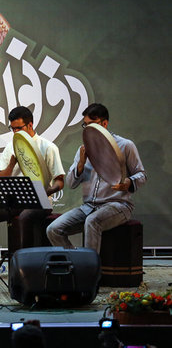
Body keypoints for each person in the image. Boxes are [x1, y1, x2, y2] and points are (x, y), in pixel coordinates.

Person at [0, 106, 65, 281]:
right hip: (15, 201)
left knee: (24, 218)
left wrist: (47, 190)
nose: (15, 132)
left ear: (30, 125)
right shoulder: (11, 147)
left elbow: (60, 181)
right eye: (12, 129)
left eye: (19, 128)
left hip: (40, 203)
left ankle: (24, 267)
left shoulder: (48, 147)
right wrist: (13, 162)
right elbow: (2, 177)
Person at [46, 103, 147, 254]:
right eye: (85, 125)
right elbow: (70, 183)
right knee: (53, 229)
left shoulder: (125, 145)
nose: (88, 129)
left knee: (92, 222)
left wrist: (128, 183)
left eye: (92, 124)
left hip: (118, 205)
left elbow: (141, 175)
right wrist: (81, 163)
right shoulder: (84, 148)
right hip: (89, 207)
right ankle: (77, 263)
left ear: (104, 123)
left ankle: (90, 273)